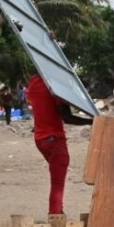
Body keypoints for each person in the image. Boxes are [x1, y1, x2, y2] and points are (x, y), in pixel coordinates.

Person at [27, 73, 93, 215]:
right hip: (54, 139)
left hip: (40, 139)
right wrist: (91, 120)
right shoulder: (55, 84)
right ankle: (55, 215)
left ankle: (58, 212)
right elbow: (67, 117)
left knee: (56, 182)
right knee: (57, 184)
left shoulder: (33, 81)